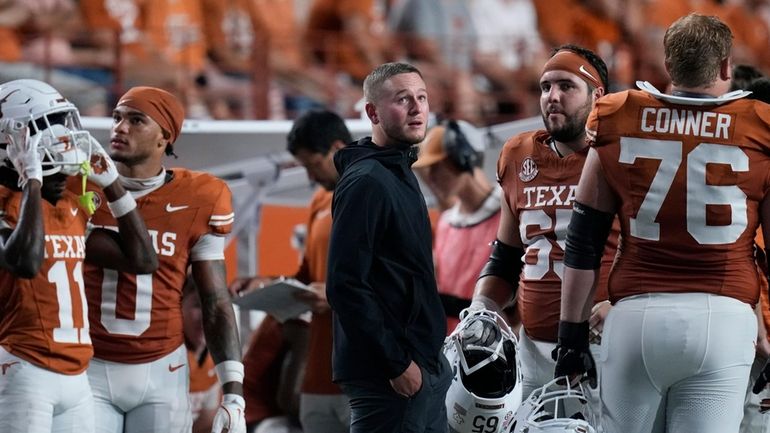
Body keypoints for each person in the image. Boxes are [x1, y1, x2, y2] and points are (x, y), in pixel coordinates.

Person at [555, 13, 770, 433]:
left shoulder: (618, 115)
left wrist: (570, 335)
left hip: (636, 316)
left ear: (668, 67)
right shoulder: (759, 125)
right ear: (726, 67)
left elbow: (583, 241)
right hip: (724, 320)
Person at [68, 86, 245, 433]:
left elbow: (215, 299)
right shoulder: (78, 184)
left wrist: (234, 392)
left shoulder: (201, 196)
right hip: (89, 361)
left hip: (162, 367)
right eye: (117, 117)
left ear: (165, 136)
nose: (120, 128)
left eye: (136, 120)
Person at [0, 79, 157, 432]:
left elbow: (143, 260)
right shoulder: (9, 202)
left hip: (77, 374)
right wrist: (33, 182)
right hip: (21, 366)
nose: (65, 173)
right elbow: (25, 261)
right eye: (49, 163)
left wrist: (113, 183)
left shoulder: (70, 205)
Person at [469, 44, 615, 411]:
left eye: (566, 86)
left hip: (603, 345)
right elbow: (505, 256)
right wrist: (480, 311)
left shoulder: (619, 154)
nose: (552, 96)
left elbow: (651, 250)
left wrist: (621, 302)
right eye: (545, 86)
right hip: (532, 348)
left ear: (598, 96)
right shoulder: (519, 154)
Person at [325, 62, 451, 433]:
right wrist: (396, 364)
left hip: (421, 369)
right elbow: (345, 285)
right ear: (372, 112)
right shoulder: (367, 181)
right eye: (402, 99)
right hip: (392, 381)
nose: (416, 108)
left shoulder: (398, 171)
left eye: (422, 98)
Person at [229, 109, 353, 433]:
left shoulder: (382, 197)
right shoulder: (319, 201)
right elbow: (307, 275)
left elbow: (403, 284)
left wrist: (339, 296)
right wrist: (266, 282)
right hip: (319, 376)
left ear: (338, 149)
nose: (311, 177)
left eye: (313, 165)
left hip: (366, 371)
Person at [412, 119, 501, 331]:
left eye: (437, 167)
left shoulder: (508, 215)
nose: (430, 178)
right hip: (452, 345)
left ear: (464, 157)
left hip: (494, 345)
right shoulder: (445, 223)